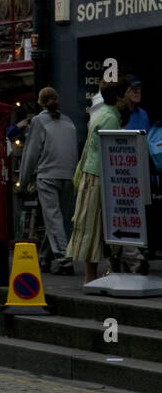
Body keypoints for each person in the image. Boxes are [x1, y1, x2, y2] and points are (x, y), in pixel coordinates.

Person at [68, 80, 130, 286]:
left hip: (89, 174)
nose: (132, 96)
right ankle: (92, 276)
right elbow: (110, 154)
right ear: (119, 97)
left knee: (91, 226)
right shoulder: (111, 119)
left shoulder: (102, 115)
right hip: (99, 177)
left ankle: (94, 275)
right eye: (128, 92)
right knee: (95, 227)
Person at [19, 86, 79, 275]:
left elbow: (31, 152)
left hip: (48, 176)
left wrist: (24, 180)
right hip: (70, 175)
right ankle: (44, 258)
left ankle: (64, 259)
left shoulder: (39, 121)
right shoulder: (69, 121)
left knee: (53, 218)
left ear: (40, 103)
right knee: (61, 218)